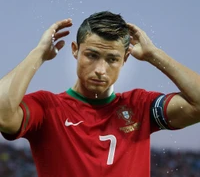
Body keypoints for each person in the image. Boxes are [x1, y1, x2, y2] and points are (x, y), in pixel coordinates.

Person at [0, 11, 199, 177]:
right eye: (92, 55)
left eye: (112, 59)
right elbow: (3, 115)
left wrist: (154, 54)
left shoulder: (140, 105)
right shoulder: (47, 107)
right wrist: (38, 53)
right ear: (75, 50)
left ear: (125, 59)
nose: (100, 70)